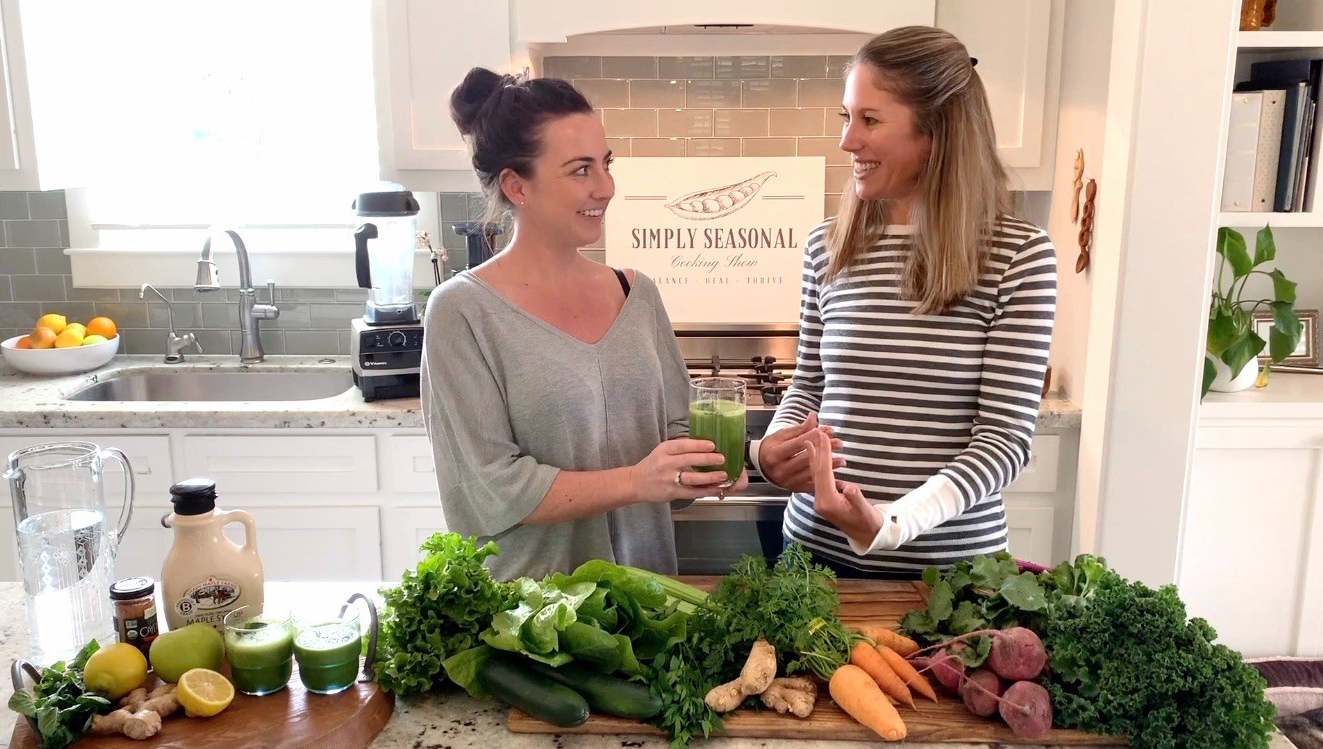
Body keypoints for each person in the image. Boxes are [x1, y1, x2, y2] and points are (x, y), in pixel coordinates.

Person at [751, 26, 1057, 578]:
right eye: (846, 117)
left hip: (948, 574)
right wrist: (775, 448)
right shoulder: (827, 245)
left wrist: (892, 523)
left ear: (937, 130)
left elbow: (1005, 440)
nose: (847, 141)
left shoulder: (1018, 255)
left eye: (869, 120)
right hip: (814, 558)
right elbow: (811, 386)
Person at [420, 68, 745, 581]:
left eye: (606, 164)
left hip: (649, 603)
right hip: (532, 613)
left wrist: (724, 462)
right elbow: (488, 489)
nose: (606, 187)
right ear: (516, 185)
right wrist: (636, 482)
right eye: (580, 171)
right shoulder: (462, 312)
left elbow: (676, 432)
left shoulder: (636, 294)